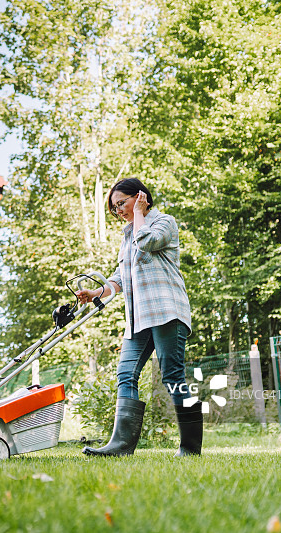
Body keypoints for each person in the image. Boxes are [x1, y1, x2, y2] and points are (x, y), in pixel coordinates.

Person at [75, 178, 202, 457]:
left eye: (122, 203)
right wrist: (97, 291)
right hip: (138, 318)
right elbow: (122, 277)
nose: (119, 210)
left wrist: (138, 215)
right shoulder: (129, 233)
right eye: (115, 207)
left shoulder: (162, 223)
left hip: (166, 311)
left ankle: (190, 448)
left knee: (172, 377)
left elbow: (147, 243)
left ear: (140, 197)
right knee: (125, 373)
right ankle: (120, 446)